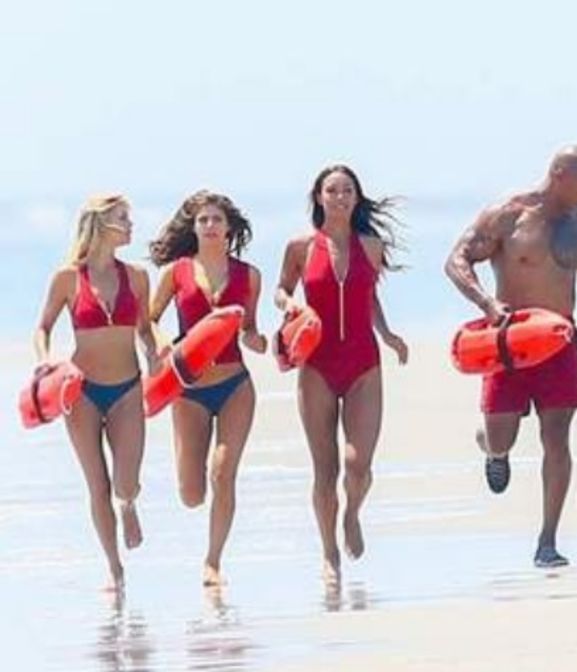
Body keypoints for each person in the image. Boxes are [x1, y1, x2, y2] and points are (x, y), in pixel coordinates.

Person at [444, 145, 577, 568]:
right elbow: (456, 260)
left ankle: (547, 541)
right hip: (509, 339)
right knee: (502, 436)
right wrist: (486, 303)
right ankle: (492, 449)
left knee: (557, 436)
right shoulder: (507, 216)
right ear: (560, 175)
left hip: (559, 341)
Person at [275, 165, 408, 586]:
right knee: (325, 469)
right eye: (332, 190)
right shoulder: (300, 246)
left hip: (363, 362)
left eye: (347, 190)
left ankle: (352, 513)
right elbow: (282, 289)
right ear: (319, 197)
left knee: (357, 464)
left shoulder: (371, 245)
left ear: (356, 197)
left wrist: (388, 334)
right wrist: (290, 306)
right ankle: (329, 554)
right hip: (317, 364)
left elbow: (370, 297)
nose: (340, 197)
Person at [33, 194, 160, 590]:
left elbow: (145, 329)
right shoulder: (68, 278)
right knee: (97, 485)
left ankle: (129, 503)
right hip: (81, 392)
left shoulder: (137, 276)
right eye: (123, 218)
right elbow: (43, 328)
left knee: (125, 482)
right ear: (101, 224)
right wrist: (45, 361)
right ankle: (114, 569)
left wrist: (154, 353)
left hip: (126, 388)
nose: (131, 224)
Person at [149, 190, 267, 585]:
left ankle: (213, 562)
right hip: (189, 389)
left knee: (223, 474)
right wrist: (161, 344)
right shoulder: (176, 272)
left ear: (229, 227)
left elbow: (248, 328)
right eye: (203, 220)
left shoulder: (249, 276)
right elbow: (150, 319)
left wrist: (257, 340)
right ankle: (186, 468)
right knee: (192, 494)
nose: (210, 225)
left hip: (235, 384)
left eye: (217, 219)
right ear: (194, 228)